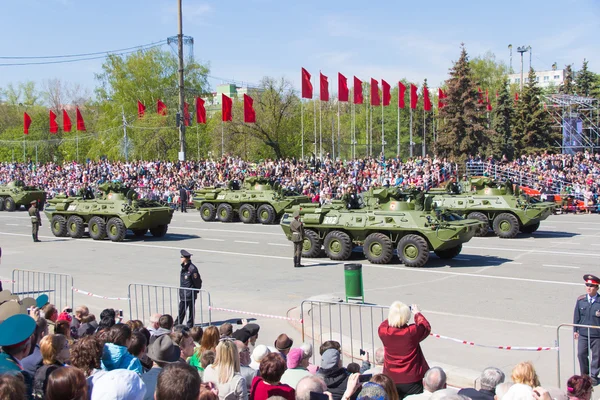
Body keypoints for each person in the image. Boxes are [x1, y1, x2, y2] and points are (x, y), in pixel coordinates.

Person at [378, 301, 431, 399]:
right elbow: (425, 327)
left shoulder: (384, 331)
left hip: (391, 376)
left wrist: (395, 314)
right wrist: (417, 314)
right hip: (412, 377)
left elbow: (384, 324)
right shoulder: (412, 331)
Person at [573, 274, 600, 385]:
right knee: (581, 354)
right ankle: (585, 375)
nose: (588, 287)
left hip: (597, 335)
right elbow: (577, 316)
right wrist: (575, 330)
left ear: (597, 287)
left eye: (591, 286)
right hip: (584, 333)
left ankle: (593, 376)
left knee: (597, 356)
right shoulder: (581, 300)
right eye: (587, 285)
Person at [177, 250, 202, 328]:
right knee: (181, 309)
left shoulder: (192, 269)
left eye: (182, 257)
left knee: (190, 310)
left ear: (186, 258)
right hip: (183, 292)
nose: (181, 258)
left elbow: (197, 281)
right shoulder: (184, 267)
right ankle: (178, 322)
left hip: (190, 293)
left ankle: (189, 324)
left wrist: (196, 290)